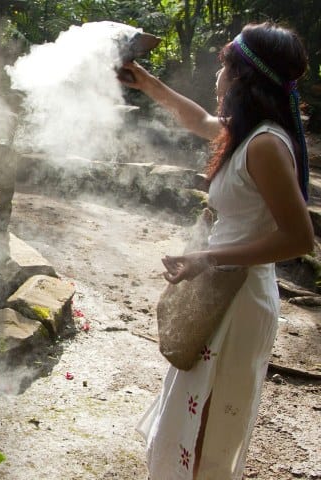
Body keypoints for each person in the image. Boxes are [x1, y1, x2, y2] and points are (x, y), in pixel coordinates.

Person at [120, 22, 315, 479]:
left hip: (239, 298)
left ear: (244, 77)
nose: (217, 74)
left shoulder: (266, 144)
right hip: (220, 291)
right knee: (193, 412)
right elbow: (199, 121)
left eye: (225, 64)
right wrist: (145, 81)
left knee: (206, 421)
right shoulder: (247, 133)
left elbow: (299, 237)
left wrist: (206, 258)